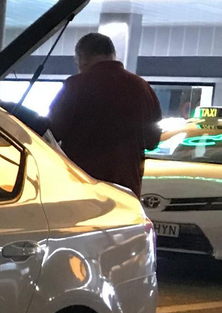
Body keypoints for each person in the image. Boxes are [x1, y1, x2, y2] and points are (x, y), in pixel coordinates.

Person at [47, 31, 162, 196]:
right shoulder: (142, 87)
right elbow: (152, 141)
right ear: (113, 55)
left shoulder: (75, 86)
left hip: (83, 185)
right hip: (127, 188)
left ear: (82, 57)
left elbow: (51, 133)